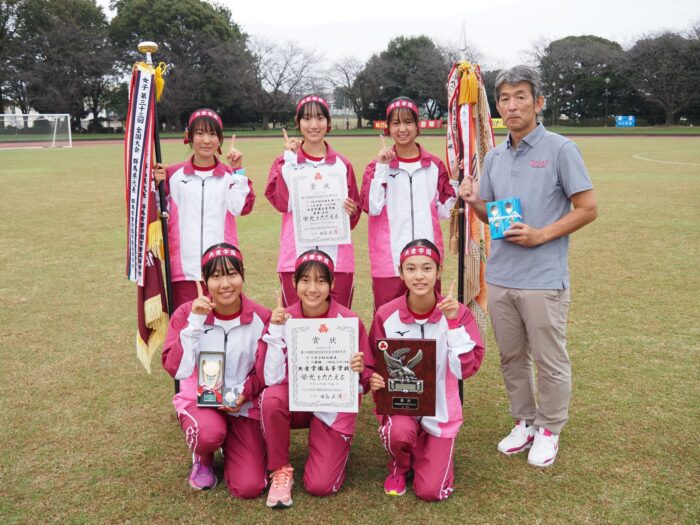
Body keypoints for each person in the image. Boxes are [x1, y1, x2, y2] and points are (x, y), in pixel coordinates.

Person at [460, 64, 598, 467]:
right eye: (504, 98)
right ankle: (523, 421)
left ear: (538, 103)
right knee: (512, 357)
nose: (512, 105)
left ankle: (550, 428)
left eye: (520, 96)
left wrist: (542, 234)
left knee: (549, 359)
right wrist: (473, 200)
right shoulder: (495, 157)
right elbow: (491, 215)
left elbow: (587, 208)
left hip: (543, 278)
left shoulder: (561, 149)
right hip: (502, 277)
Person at [256, 249, 373, 508]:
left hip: (332, 405)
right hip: (295, 400)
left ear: (332, 283)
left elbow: (366, 380)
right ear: (294, 282)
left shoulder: (349, 321)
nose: (312, 289)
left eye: (321, 281)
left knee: (320, 486)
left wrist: (360, 370)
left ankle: (329, 444)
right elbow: (270, 378)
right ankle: (280, 469)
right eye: (305, 280)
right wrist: (276, 330)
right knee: (271, 398)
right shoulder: (284, 318)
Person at [369, 239, 484, 501]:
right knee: (399, 432)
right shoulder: (386, 314)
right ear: (401, 273)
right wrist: (372, 378)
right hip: (401, 406)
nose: (419, 276)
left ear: (439, 271)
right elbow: (373, 364)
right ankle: (400, 465)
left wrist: (453, 324)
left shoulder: (459, 313)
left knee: (430, 491)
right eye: (410, 269)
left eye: (427, 268)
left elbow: (466, 368)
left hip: (441, 411)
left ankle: (426, 450)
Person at [161, 243, 271, 497]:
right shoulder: (187, 314)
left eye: (232, 274)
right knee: (209, 434)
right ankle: (203, 456)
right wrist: (195, 322)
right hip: (201, 401)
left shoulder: (261, 317)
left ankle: (234, 443)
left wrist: (245, 392)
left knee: (249, 487)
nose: (225, 284)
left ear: (243, 275)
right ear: (204, 280)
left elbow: (265, 371)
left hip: (243, 404)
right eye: (216, 276)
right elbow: (176, 368)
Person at [360, 96, 458, 311]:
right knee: (388, 320)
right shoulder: (376, 167)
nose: (402, 129)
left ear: (417, 125)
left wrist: (456, 181)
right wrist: (382, 168)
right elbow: (372, 207)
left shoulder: (434, 165)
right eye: (396, 123)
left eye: (408, 122)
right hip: (389, 261)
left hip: (426, 259)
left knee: (427, 319)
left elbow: (445, 211)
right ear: (388, 128)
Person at [265, 95, 361, 308]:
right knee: (296, 321)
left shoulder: (342, 164)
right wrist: (289, 161)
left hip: (338, 260)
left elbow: (353, 218)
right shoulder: (284, 161)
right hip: (294, 257)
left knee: (337, 321)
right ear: (298, 122)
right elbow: (281, 203)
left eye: (320, 118)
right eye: (307, 118)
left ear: (328, 121)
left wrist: (352, 211)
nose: (314, 125)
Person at [154, 108, 254, 309]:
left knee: (221, 323)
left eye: (212, 134)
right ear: (189, 136)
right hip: (184, 271)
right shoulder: (172, 175)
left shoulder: (230, 176)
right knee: (186, 323)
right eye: (199, 133)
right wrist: (156, 185)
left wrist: (238, 171)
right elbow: (158, 210)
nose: (206, 140)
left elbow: (242, 208)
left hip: (221, 270)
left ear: (220, 139)